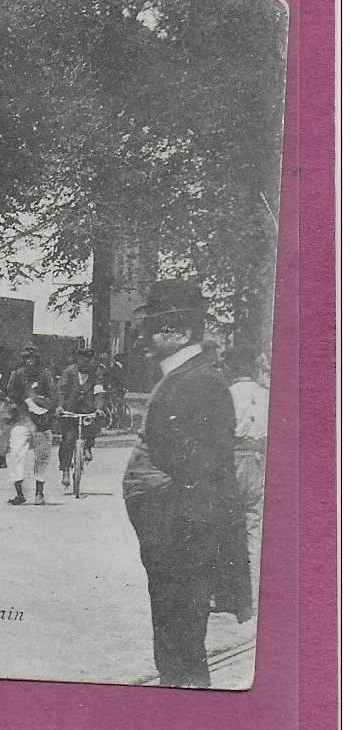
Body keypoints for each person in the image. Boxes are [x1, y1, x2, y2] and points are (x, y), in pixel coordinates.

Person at [122, 280, 252, 688]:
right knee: (173, 628)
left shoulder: (199, 382)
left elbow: (205, 473)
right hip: (170, 532)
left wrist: (171, 520)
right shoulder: (185, 376)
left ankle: (186, 713)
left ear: (179, 333)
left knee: (181, 636)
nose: (143, 338)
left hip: (181, 533)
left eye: (153, 328)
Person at [224, 347, 269, 602]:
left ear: (231, 368)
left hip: (232, 458)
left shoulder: (227, 394)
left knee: (226, 523)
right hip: (259, 459)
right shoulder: (265, 395)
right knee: (254, 523)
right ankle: (253, 589)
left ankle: (229, 593)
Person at [5, 344, 58, 506]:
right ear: (23, 360)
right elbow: (10, 394)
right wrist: (18, 403)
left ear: (37, 360)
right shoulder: (17, 375)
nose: (30, 362)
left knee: (42, 456)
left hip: (41, 422)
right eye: (27, 358)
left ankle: (39, 493)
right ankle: (19, 493)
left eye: (32, 358)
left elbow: (54, 397)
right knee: (15, 454)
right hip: (22, 420)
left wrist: (42, 404)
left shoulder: (45, 376)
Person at [57, 347, 105, 494]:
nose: (86, 362)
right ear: (78, 359)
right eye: (83, 359)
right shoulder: (69, 372)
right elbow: (61, 390)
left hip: (87, 409)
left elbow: (99, 392)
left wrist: (98, 407)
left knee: (93, 425)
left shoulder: (95, 373)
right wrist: (59, 406)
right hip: (70, 410)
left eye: (89, 359)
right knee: (67, 441)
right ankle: (65, 470)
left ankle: (88, 447)